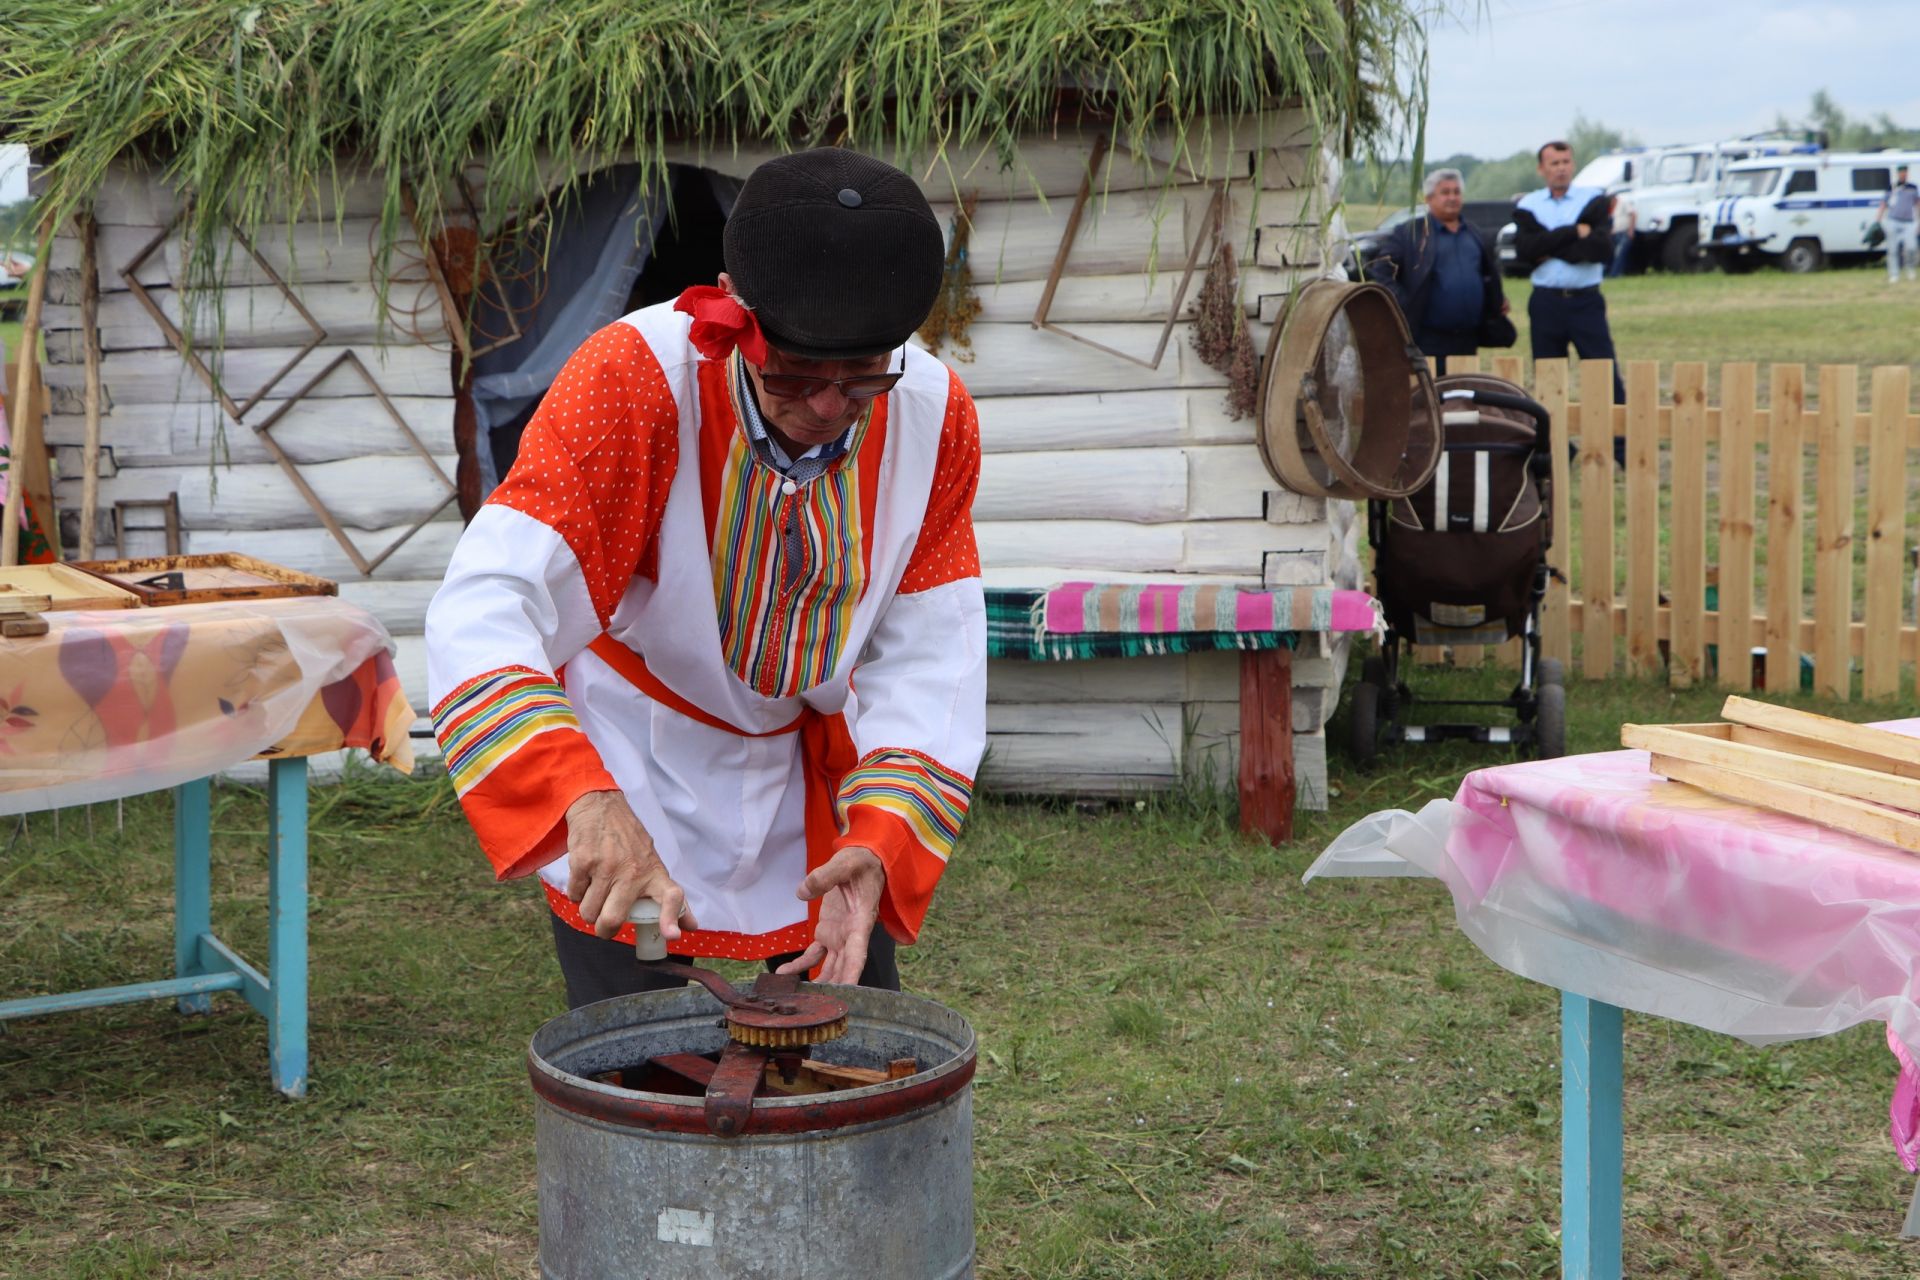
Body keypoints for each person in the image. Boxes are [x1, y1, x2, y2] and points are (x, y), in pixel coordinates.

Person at [425, 148, 987, 1010]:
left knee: (846, 1050)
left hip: (815, 793)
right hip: (634, 764)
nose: (831, 407)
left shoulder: (935, 415)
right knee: (644, 1056)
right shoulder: (631, 381)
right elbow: (489, 603)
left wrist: (879, 839)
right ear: (732, 300)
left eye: (864, 375)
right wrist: (580, 797)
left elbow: (929, 653)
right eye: (795, 372)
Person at [1365, 167, 1512, 374]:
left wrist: (1496, 298)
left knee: (1463, 396)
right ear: (1429, 198)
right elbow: (1380, 271)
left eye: (1456, 192)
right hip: (1428, 338)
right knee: (1431, 396)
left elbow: (1486, 273)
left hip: (1467, 339)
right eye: (1445, 192)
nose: (1452, 198)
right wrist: (1404, 302)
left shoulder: (1473, 233)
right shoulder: (1411, 233)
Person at [1513, 140, 1625, 408]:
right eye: (1554, 164)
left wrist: (1548, 246)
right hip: (1546, 301)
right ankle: (1554, 444)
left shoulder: (1594, 201)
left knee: (1602, 370)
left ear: (1573, 165)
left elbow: (1601, 249)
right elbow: (1526, 251)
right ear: (1542, 169)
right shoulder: (1529, 205)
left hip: (1585, 301)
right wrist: (1573, 233)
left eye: (1565, 162)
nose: (1561, 169)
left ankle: (1618, 444)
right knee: (1548, 375)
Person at [1877, 165, 1919, 283]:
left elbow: (1917, 204)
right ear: (1898, 174)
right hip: (1893, 220)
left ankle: (1910, 269)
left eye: (1905, 172)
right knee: (1892, 249)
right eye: (1901, 172)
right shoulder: (1892, 187)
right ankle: (1894, 274)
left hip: (1909, 221)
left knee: (1911, 247)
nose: (1903, 174)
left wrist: (1918, 220)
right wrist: (1878, 220)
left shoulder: (1913, 187)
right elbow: (1884, 204)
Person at [1608, 191, 1636, 278]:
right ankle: (1613, 272)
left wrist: (1631, 230)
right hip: (1616, 233)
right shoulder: (1613, 208)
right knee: (1614, 253)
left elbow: (1633, 214)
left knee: (1620, 253)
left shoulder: (1623, 203)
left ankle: (1615, 274)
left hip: (1624, 232)